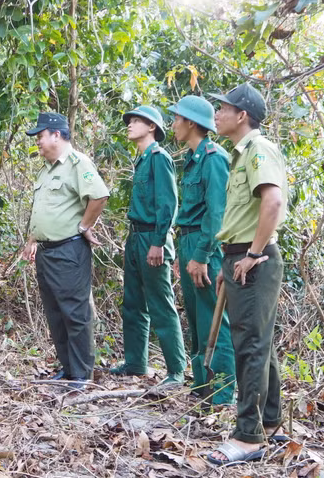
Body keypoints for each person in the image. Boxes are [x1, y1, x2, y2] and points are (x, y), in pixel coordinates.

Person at [206, 83, 288, 465]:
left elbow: (272, 201)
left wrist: (252, 254)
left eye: (222, 108)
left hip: (253, 258)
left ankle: (248, 438)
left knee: (250, 347)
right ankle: (269, 423)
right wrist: (233, 259)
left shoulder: (258, 150)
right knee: (262, 344)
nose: (217, 114)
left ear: (242, 115)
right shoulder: (240, 155)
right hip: (240, 255)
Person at [22, 112, 109, 388]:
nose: (38, 142)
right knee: (55, 313)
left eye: (40, 136)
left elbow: (99, 195)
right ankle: (68, 368)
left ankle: (82, 374)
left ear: (56, 135)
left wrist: (85, 226)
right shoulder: (46, 169)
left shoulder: (77, 163)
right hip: (46, 252)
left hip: (69, 250)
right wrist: (33, 239)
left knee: (75, 312)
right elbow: (45, 209)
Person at [112, 105, 186, 388]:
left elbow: (168, 204)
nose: (129, 124)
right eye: (128, 120)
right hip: (135, 237)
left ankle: (176, 371)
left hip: (152, 239)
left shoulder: (158, 158)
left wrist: (158, 243)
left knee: (160, 303)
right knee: (132, 302)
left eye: (136, 121)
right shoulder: (142, 159)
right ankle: (135, 363)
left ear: (152, 127)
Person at [169, 95, 236, 405]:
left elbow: (216, 213)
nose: (173, 125)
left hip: (204, 247)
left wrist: (201, 256)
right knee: (196, 321)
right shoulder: (193, 159)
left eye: (177, 119)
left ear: (192, 123)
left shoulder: (214, 158)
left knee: (215, 322)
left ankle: (221, 396)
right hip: (188, 244)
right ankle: (202, 391)